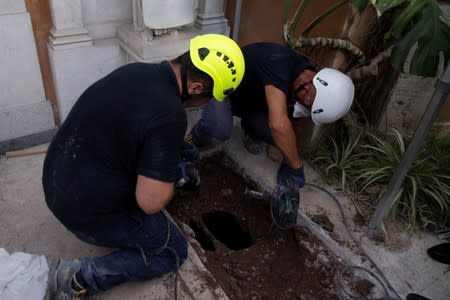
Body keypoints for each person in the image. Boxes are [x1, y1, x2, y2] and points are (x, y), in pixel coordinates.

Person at [42, 33, 245, 299]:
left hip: (57, 177)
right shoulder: (169, 114)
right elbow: (150, 203)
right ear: (195, 88)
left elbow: (139, 131)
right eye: (209, 98)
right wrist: (175, 179)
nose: (205, 105)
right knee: (172, 250)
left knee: (182, 152)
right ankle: (81, 276)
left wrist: (178, 156)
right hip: (82, 211)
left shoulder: (137, 71)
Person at [187, 42, 354, 189]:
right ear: (310, 86)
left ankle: (249, 129)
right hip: (225, 92)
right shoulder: (277, 62)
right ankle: (191, 143)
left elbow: (291, 126)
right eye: (308, 104)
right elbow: (278, 124)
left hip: (251, 101)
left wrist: (288, 160)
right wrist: (296, 165)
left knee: (278, 135)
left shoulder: (304, 84)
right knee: (218, 129)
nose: (304, 107)